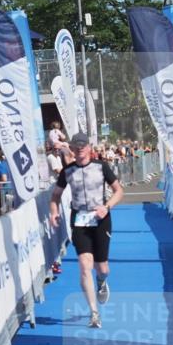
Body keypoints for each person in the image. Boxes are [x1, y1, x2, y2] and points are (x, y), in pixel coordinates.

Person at [49, 132, 124, 329]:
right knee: (84, 265)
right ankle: (94, 313)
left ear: (89, 148)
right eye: (77, 146)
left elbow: (119, 191)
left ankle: (101, 281)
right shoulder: (68, 171)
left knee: (103, 268)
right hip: (79, 220)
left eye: (83, 146)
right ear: (72, 149)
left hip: (101, 219)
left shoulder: (101, 167)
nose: (80, 149)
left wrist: (106, 207)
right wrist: (54, 212)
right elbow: (55, 196)